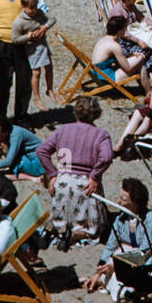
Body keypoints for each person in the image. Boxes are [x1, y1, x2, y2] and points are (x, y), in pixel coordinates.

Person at [38, 96, 114, 244]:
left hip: (63, 181)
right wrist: (94, 176)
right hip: (85, 183)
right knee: (96, 225)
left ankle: (60, 227)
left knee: (63, 211)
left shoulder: (63, 130)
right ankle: (81, 232)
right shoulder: (101, 134)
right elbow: (106, 157)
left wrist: (53, 174)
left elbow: (42, 151)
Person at [82, 178, 152, 293]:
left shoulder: (150, 219)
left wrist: (116, 265)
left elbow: (144, 250)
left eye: (123, 199)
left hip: (141, 260)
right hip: (123, 255)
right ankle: (98, 278)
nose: (118, 202)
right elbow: (110, 245)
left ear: (135, 203)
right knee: (108, 268)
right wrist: (99, 269)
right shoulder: (121, 219)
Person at [12, 0, 54, 113]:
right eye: (31, 8)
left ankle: (49, 89)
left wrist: (44, 27)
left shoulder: (39, 13)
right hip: (31, 49)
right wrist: (28, 37)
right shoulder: (19, 22)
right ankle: (36, 97)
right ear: (23, 7)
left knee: (49, 66)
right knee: (36, 72)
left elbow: (52, 19)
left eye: (35, 7)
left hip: (42, 44)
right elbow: (15, 39)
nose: (34, 11)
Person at [0, 116, 45, 181]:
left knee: (11, 170)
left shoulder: (16, 135)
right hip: (29, 156)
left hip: (38, 162)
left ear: (3, 131)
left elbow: (8, 161)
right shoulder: (9, 131)